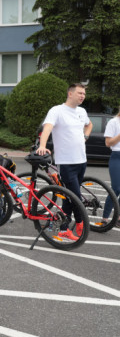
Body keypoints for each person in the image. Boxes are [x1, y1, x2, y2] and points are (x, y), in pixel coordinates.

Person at [36, 83, 92, 240]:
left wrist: (85, 136)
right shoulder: (57, 110)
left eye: (84, 94)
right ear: (70, 94)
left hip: (82, 160)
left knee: (69, 197)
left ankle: (63, 229)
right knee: (76, 197)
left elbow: (89, 125)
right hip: (66, 162)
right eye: (80, 93)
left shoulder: (82, 111)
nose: (82, 96)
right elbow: (47, 128)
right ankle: (80, 222)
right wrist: (42, 146)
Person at [103, 109, 120, 225]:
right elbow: (108, 143)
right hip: (117, 156)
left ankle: (118, 217)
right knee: (116, 188)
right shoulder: (113, 122)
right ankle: (105, 218)